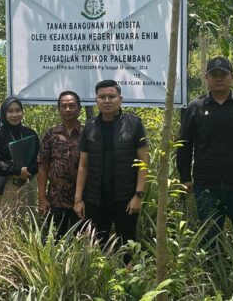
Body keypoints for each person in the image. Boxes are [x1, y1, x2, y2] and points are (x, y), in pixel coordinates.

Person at [176, 56, 233, 251]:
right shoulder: (195, 107)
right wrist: (185, 177)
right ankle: (215, 278)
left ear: (232, 77)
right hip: (207, 185)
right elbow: (184, 145)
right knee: (210, 239)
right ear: (206, 78)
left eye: (223, 75)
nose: (219, 79)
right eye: (214, 75)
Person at [73, 80, 149, 263]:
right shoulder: (89, 127)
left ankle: (130, 283)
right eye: (102, 97)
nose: (107, 100)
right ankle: (103, 285)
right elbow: (83, 165)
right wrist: (78, 199)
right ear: (96, 100)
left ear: (120, 99)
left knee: (128, 245)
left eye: (112, 96)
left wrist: (138, 195)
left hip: (126, 199)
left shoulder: (134, 124)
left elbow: (143, 161)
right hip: (96, 200)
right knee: (98, 246)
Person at [37, 91, 83, 238]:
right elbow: (43, 167)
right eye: (64, 106)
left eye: (72, 105)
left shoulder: (87, 133)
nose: (68, 109)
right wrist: (42, 198)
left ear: (79, 108)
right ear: (59, 109)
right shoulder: (51, 134)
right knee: (55, 241)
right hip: (56, 199)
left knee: (80, 242)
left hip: (82, 199)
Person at [0, 97, 40, 214]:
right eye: (10, 111)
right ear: (4, 113)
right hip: (7, 185)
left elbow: (39, 159)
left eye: (18, 110)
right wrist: (17, 171)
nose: (15, 114)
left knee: (28, 224)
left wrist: (27, 171)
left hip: (28, 183)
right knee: (7, 225)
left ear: (22, 112)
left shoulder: (31, 133)